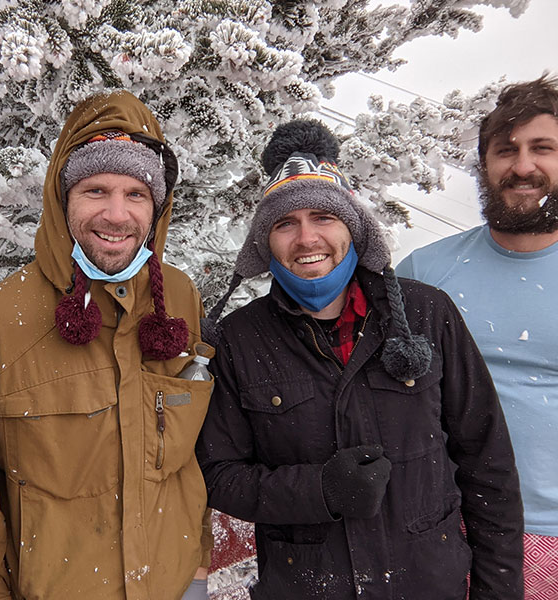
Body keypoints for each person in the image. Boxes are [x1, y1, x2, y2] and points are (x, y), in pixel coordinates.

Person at [195, 119, 524, 599]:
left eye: (323, 218)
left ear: (354, 227)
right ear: (265, 244)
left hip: (430, 586)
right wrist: (320, 491)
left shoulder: (426, 314)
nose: (306, 239)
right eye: (285, 223)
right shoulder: (240, 340)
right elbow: (218, 474)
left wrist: (499, 591)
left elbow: (487, 462)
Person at [0, 90, 213, 600]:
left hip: (177, 582)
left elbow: (194, 453)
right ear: (63, 197)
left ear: (157, 206)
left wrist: (200, 565)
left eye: (136, 194)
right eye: (96, 190)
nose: (117, 215)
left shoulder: (180, 296)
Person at [397, 73, 558, 599]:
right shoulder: (425, 272)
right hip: (446, 529)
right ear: (484, 165)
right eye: (505, 150)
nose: (523, 165)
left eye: (543, 148)